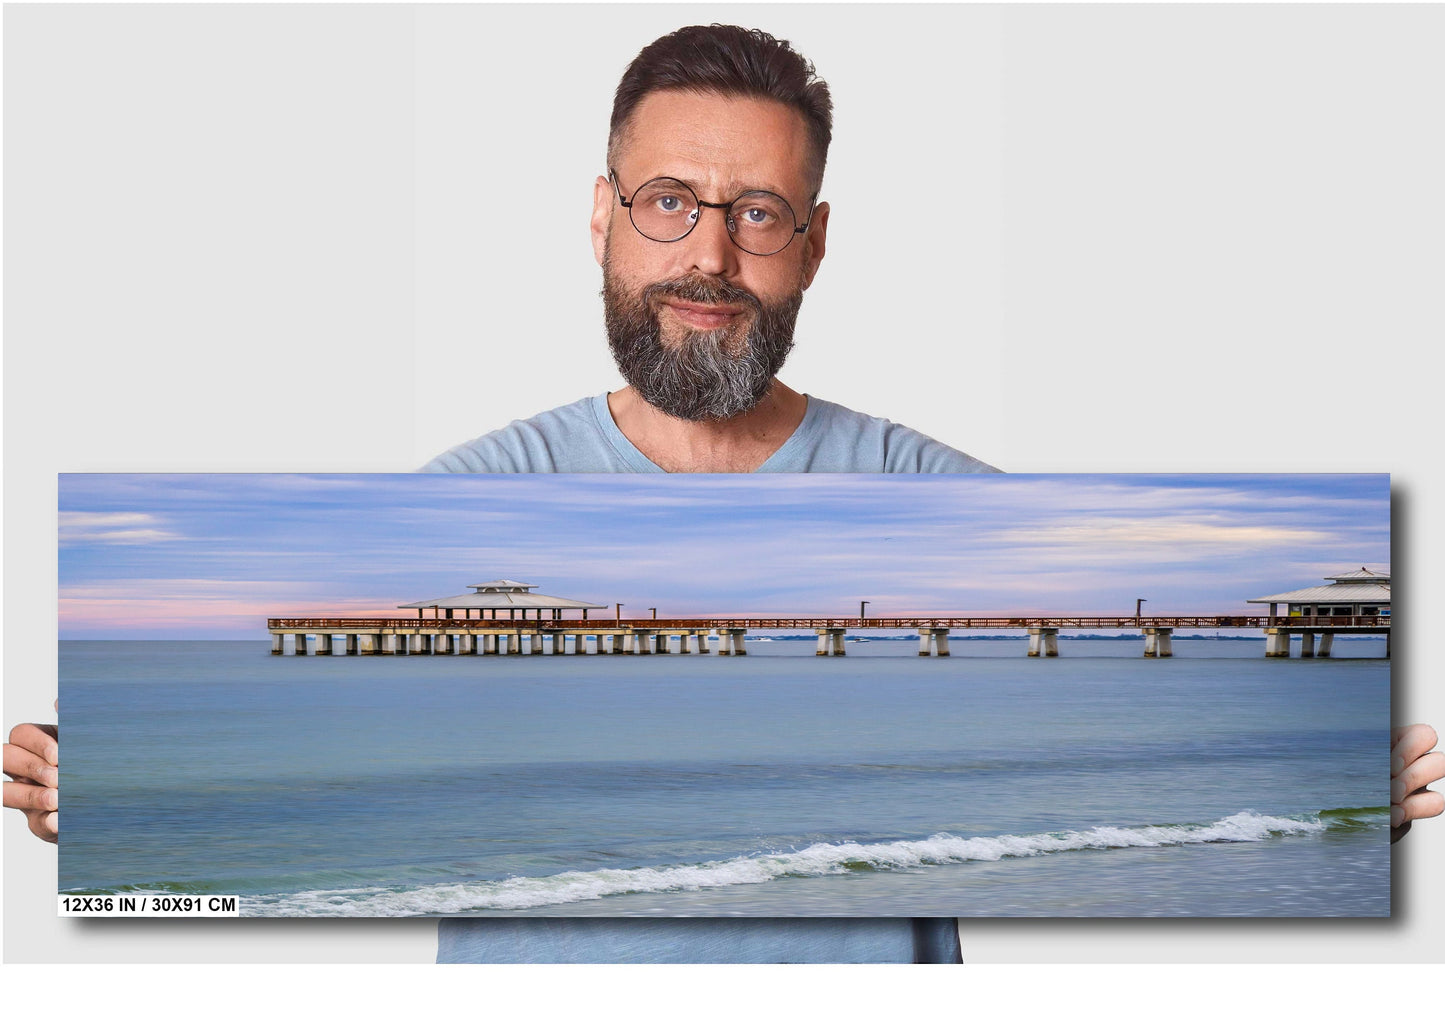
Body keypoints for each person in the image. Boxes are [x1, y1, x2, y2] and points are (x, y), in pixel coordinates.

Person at [8, 23, 1444, 963]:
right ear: (602, 215)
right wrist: (132, 794)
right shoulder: (462, 505)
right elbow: (299, 741)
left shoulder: (937, 502)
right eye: (668, 202)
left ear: (811, 244)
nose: (709, 254)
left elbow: (1166, 696)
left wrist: (1330, 774)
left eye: (755, 214)